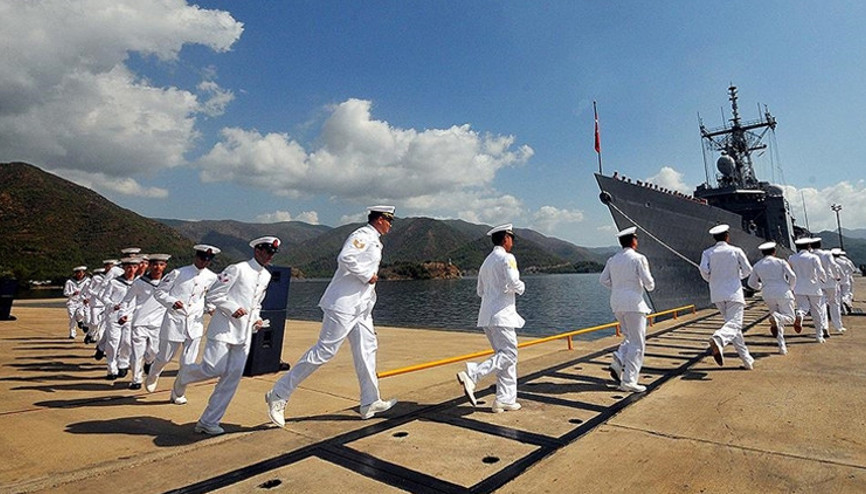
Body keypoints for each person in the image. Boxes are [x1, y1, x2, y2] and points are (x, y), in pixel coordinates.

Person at [266, 206, 398, 427]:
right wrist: (367, 275)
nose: (390, 225)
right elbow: (345, 257)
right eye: (389, 220)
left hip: (360, 308)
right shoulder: (362, 235)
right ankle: (278, 394)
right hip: (343, 305)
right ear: (379, 219)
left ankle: (369, 401)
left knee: (367, 350)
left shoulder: (374, 239)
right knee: (324, 351)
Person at [173, 237, 279, 435]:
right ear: (257, 251)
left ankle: (208, 421)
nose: (270, 256)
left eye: (273, 253)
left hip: (244, 334)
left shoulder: (265, 275)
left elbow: (256, 303)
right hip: (223, 329)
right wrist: (232, 308)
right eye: (267, 252)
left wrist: (256, 318)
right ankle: (185, 375)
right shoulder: (237, 269)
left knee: (232, 377)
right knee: (214, 368)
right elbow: (213, 295)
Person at [456, 223, 526, 411]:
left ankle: (505, 399)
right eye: (511, 237)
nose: (512, 241)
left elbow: (480, 291)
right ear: (505, 239)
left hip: (487, 316)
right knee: (509, 354)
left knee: (505, 357)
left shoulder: (486, 262)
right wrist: (520, 287)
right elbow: (514, 282)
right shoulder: (507, 258)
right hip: (502, 316)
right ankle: (473, 374)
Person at [145, 245, 220, 397]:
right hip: (175, 320)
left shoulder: (212, 277)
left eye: (208, 260)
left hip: (195, 323)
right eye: (202, 258)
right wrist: (172, 301)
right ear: (196, 257)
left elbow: (210, 296)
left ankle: (178, 393)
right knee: (164, 357)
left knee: (188, 363)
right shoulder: (178, 273)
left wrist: (211, 308)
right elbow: (160, 292)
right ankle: (154, 373)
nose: (204, 262)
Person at [599, 226, 655, 392]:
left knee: (630, 336)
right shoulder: (639, 258)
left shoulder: (612, 259)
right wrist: (643, 286)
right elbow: (649, 284)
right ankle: (629, 381)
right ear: (633, 241)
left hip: (617, 303)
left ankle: (618, 358)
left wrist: (618, 288)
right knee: (638, 343)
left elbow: (603, 280)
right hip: (634, 304)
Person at [699, 224, 755, 369]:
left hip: (717, 294)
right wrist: (738, 276)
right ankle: (719, 338)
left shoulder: (707, 253)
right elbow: (748, 270)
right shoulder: (736, 251)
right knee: (734, 325)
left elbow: (704, 271)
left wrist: (712, 279)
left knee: (733, 327)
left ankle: (747, 360)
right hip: (734, 292)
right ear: (727, 236)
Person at [120, 254, 170, 390]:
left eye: (160, 264)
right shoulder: (139, 282)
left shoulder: (169, 283)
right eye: (154, 264)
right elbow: (126, 300)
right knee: (137, 353)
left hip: (158, 324)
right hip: (139, 322)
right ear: (149, 266)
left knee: (154, 351)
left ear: (165, 266)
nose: (157, 267)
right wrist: (123, 314)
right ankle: (136, 379)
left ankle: (149, 362)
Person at [747, 242, 796, 355]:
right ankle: (777, 318)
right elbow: (792, 276)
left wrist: (761, 287)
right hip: (783, 291)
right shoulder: (781, 262)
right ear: (774, 251)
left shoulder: (757, 265)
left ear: (762, 253)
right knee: (790, 318)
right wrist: (790, 287)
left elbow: (751, 283)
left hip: (767, 294)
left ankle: (782, 347)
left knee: (778, 322)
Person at [98, 257, 140, 380]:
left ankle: (123, 363)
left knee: (127, 341)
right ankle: (111, 368)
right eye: (128, 267)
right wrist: (112, 305)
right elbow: (104, 297)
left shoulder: (138, 283)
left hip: (130, 316)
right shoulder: (114, 282)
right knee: (113, 342)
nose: (131, 270)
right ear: (124, 268)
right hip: (114, 316)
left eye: (134, 267)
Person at [789, 238, 827, 342]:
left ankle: (800, 314)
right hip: (813, 286)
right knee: (817, 311)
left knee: (803, 307)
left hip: (798, 287)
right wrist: (823, 279)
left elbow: (790, 273)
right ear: (809, 246)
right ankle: (819, 336)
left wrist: (791, 286)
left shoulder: (792, 258)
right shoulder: (813, 257)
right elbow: (820, 271)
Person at [811, 238, 845, 335]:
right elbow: (833, 265)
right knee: (834, 303)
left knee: (821, 305)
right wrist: (837, 277)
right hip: (830, 282)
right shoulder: (827, 253)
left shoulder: (811, 255)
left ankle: (824, 326)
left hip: (818, 283)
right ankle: (838, 326)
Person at [63, 266, 90, 339]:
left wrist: (88, 298)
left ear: (84, 272)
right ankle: (72, 333)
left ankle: (80, 321)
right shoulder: (69, 282)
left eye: (80, 272)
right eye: (77, 273)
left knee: (81, 314)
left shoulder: (88, 281)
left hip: (82, 301)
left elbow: (90, 291)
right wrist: (72, 293)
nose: (79, 274)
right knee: (72, 318)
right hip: (72, 302)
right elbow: (65, 293)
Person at [833, 249, 856, 314]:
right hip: (846, 280)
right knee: (846, 293)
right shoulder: (845, 261)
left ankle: (841, 308)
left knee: (837, 295)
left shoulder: (832, 262)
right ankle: (845, 301)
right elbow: (852, 270)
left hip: (837, 280)